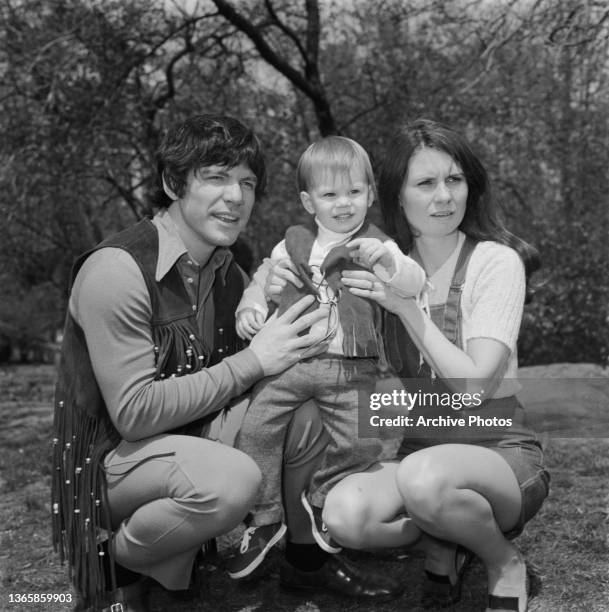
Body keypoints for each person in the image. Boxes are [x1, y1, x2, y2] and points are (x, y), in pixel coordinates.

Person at [50, 115, 401, 612]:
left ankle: (303, 561)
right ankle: (116, 560)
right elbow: (133, 414)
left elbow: (271, 362)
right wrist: (255, 361)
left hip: (188, 440)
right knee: (230, 479)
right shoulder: (117, 270)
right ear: (173, 183)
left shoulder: (229, 272)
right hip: (105, 464)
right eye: (216, 177)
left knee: (311, 407)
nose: (235, 197)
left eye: (247, 183)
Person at [321, 119, 550, 612]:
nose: (444, 196)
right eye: (425, 183)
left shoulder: (496, 261)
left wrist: (408, 308)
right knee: (345, 515)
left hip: (500, 450)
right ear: (398, 197)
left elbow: (474, 387)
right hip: (419, 450)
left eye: (455, 179)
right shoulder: (383, 264)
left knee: (426, 479)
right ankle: (444, 537)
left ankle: (501, 559)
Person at [227, 135, 426, 579]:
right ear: (308, 201)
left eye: (355, 192)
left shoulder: (379, 245)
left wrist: (391, 265)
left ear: (370, 195)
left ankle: (320, 503)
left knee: (363, 441)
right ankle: (264, 519)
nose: (343, 204)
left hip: (353, 368)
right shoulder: (293, 243)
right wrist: (252, 305)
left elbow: (414, 283)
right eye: (330, 194)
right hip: (294, 363)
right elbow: (262, 280)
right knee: (256, 427)